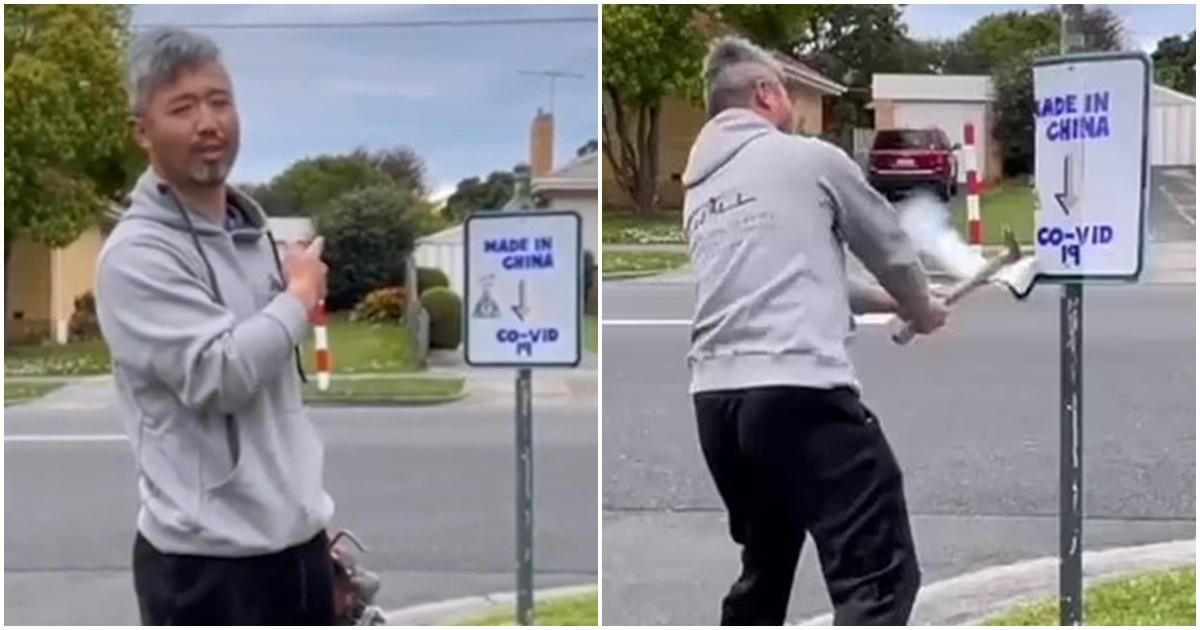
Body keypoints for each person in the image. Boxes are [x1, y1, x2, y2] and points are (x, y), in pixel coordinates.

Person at [681, 36, 949, 626]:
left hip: (718, 407)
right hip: (796, 391)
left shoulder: (703, 191)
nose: (795, 107)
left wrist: (890, 303)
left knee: (765, 571)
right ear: (765, 93)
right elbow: (892, 248)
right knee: (877, 577)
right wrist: (922, 308)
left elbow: (794, 270)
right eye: (790, 93)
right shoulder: (808, 159)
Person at [95, 27, 336, 625]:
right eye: (183, 107)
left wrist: (305, 520)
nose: (209, 122)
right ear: (142, 133)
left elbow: (273, 392)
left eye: (219, 101)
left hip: (295, 549)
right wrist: (300, 296)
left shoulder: (252, 238)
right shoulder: (136, 257)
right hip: (206, 571)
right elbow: (221, 373)